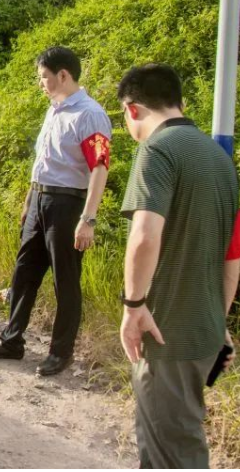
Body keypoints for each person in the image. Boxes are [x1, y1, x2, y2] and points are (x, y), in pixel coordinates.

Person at [118, 64, 238, 468]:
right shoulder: (219, 158)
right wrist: (218, 320)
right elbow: (232, 255)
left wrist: (133, 306)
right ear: (180, 103)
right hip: (203, 331)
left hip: (164, 331)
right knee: (179, 438)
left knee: (171, 453)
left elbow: (144, 236)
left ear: (132, 109)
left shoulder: (157, 150)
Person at [0, 46, 111, 376]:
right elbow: (43, 162)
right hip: (39, 200)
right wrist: (29, 201)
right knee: (24, 273)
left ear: (63, 75)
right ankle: (12, 340)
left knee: (66, 280)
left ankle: (60, 352)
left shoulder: (89, 115)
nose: (40, 83)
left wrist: (88, 218)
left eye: (44, 77)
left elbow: (100, 167)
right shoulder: (54, 110)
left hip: (67, 204)